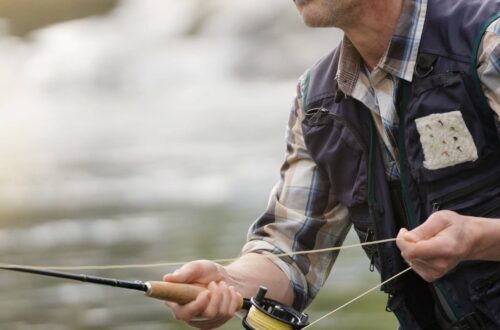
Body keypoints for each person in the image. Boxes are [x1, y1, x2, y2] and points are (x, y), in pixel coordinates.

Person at [164, 0, 500, 329]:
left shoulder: (489, 42)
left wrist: (478, 238)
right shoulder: (316, 103)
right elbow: (289, 253)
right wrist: (228, 282)